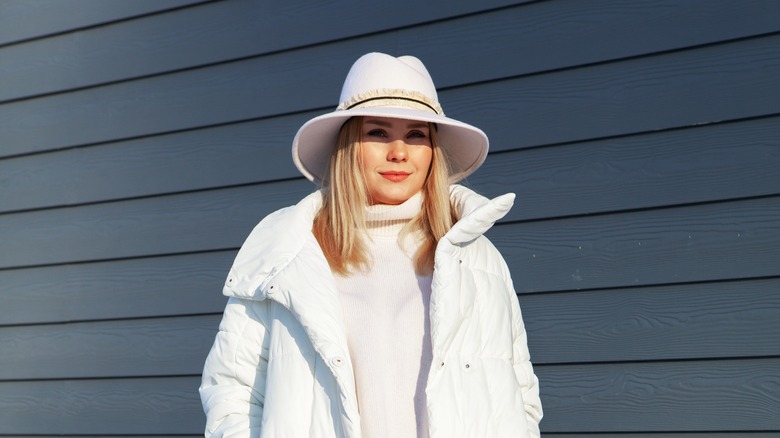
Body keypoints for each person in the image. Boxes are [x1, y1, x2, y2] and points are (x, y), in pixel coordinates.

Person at [199, 52, 542, 438]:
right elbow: (231, 390)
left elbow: (520, 394)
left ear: (433, 153)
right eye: (378, 132)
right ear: (347, 146)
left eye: (416, 134)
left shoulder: (477, 258)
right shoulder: (287, 255)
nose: (399, 152)